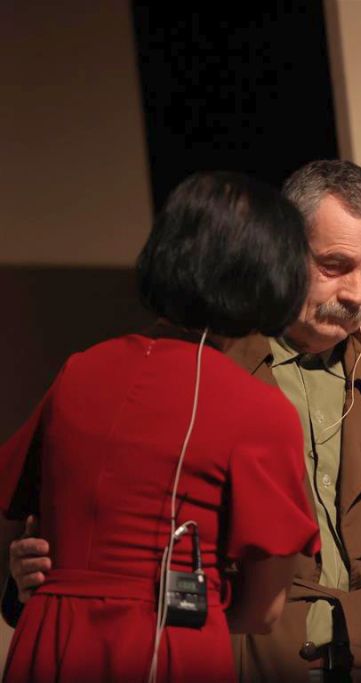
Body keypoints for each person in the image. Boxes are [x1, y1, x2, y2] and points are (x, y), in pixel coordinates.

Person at [6, 162, 361, 683]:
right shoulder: (202, 373)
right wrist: (29, 574)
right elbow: (81, 521)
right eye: (334, 266)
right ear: (283, 252)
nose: (357, 294)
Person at [0, 172, 321, 682]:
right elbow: (263, 612)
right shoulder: (261, 411)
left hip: (52, 639)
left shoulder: (79, 371)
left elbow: (27, 525)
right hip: (165, 646)